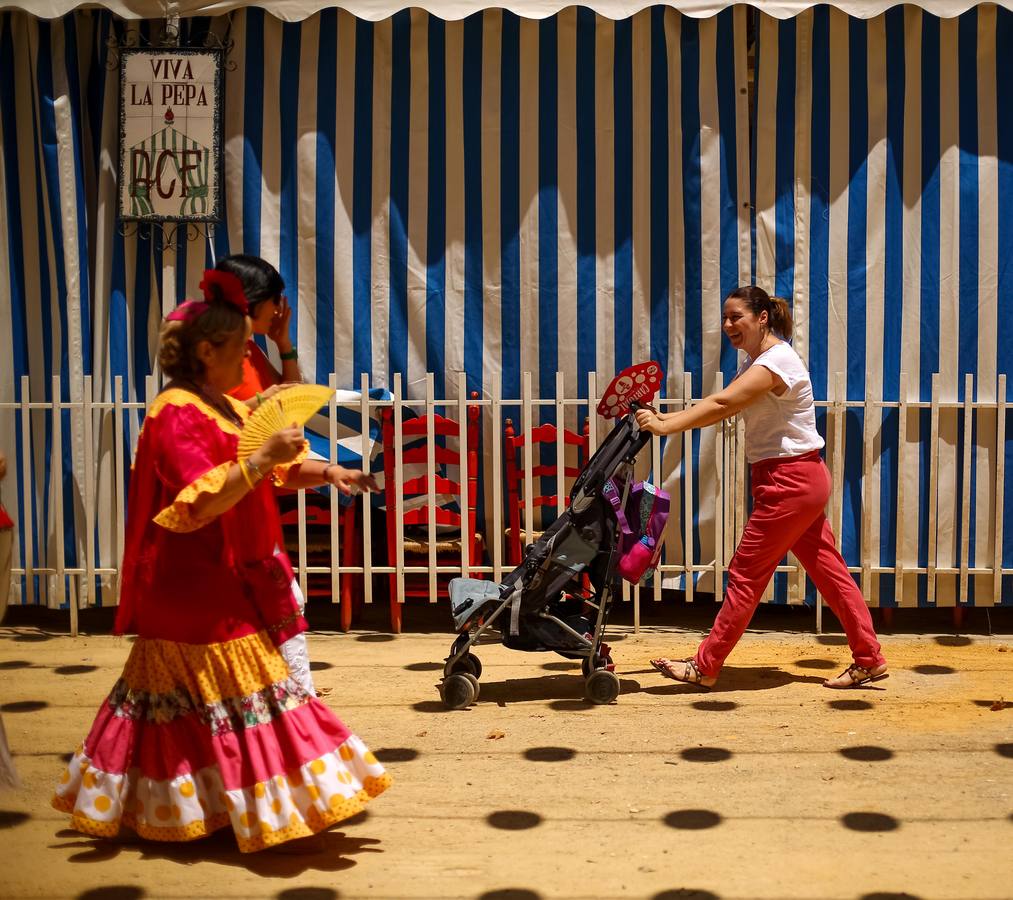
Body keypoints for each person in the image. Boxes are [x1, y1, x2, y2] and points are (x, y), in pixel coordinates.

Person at [52, 270, 389, 852]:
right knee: (243, 698)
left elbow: (277, 470)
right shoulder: (175, 412)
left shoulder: (221, 407)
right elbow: (200, 498)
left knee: (201, 706)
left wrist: (331, 471)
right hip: (196, 587)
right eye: (238, 351)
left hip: (218, 583)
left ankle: (197, 807)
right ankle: (257, 806)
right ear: (208, 352)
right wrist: (259, 462)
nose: (245, 363)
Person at [635, 286, 887, 690]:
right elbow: (727, 405)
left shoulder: (776, 362)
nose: (729, 325)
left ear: (762, 317)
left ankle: (705, 666)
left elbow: (721, 404)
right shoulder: (762, 361)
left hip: (788, 482)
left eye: (737, 316)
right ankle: (869, 658)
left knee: (745, 574)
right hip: (797, 478)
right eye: (726, 318)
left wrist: (665, 424)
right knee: (829, 571)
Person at [217, 254, 302, 405]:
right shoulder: (213, 352)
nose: (277, 309)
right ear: (253, 299)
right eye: (275, 299)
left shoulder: (250, 349)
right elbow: (202, 417)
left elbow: (290, 400)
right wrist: (260, 401)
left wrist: (284, 344)